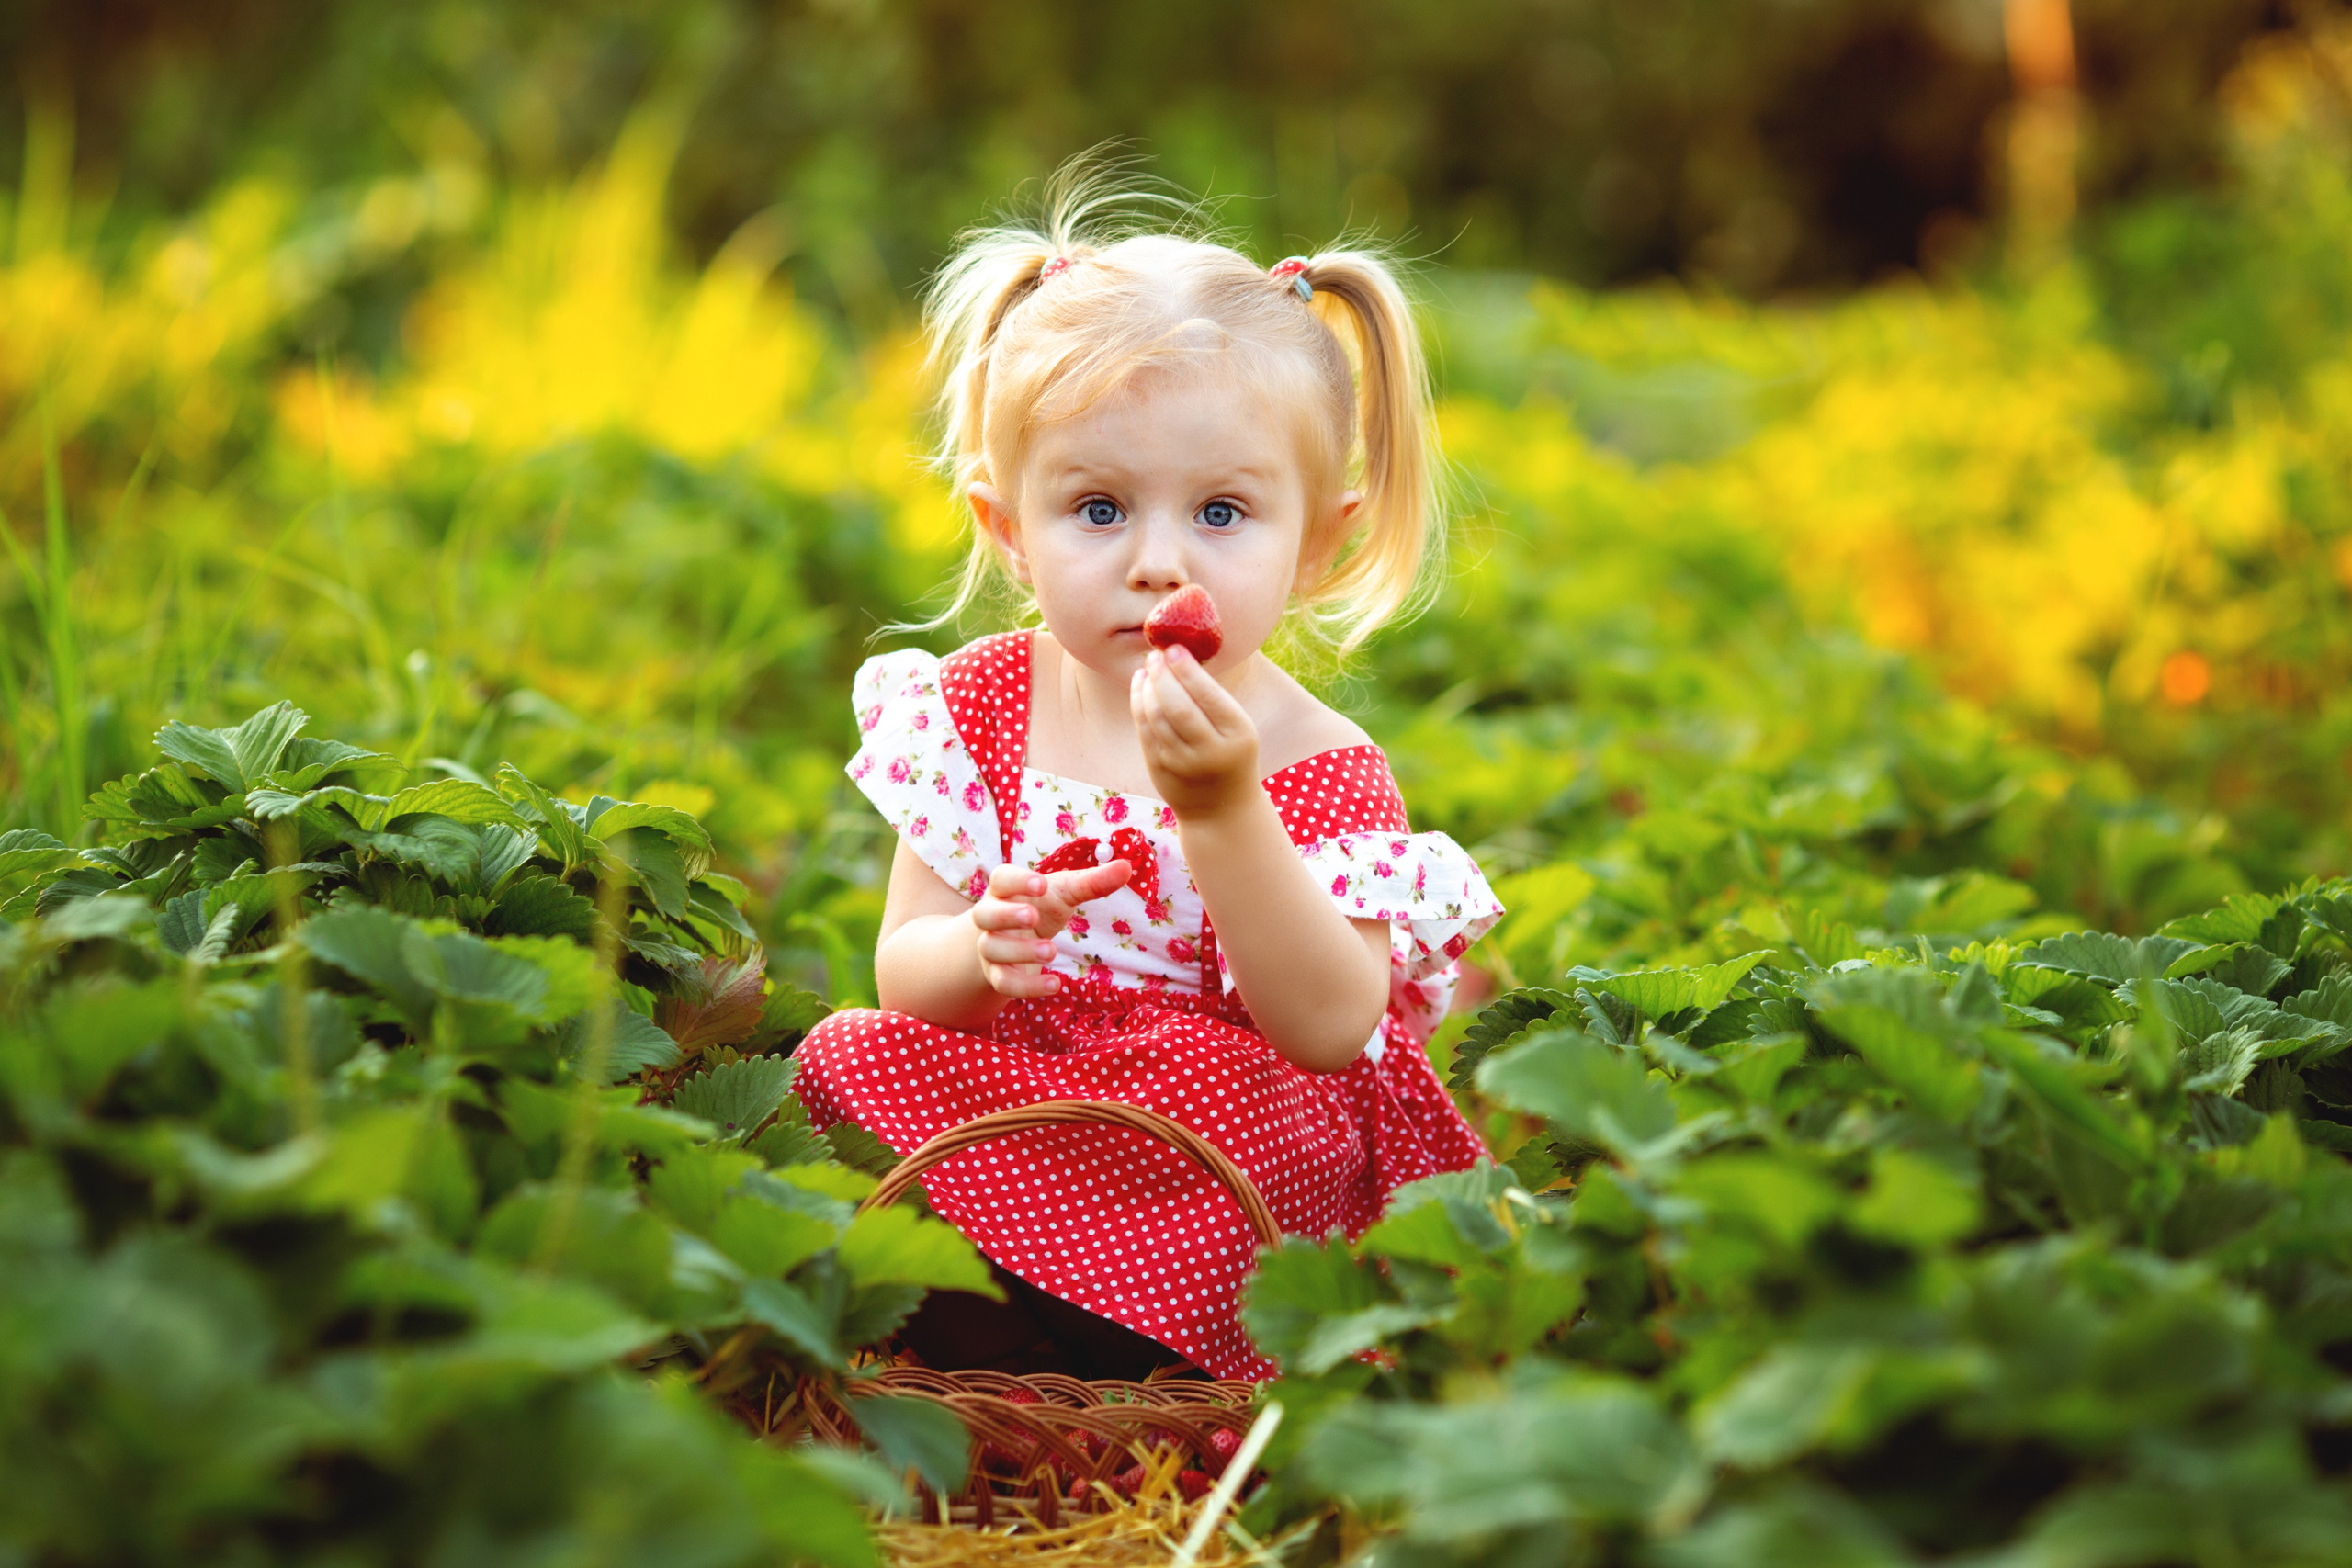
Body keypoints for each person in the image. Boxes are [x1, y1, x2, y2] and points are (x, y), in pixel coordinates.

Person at [794, 176, 1503, 1382]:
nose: (1158, 560)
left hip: (1219, 1149)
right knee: (842, 1054)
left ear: (1316, 543)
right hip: (1030, 1099)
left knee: (1206, 1080)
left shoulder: (1314, 763)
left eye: (1222, 512)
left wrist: (1225, 811)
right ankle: (1007, 1322)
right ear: (1009, 526)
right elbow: (903, 971)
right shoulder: (980, 708)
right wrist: (979, 951)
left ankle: (1131, 1355)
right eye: (1100, 508)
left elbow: (1330, 1026)